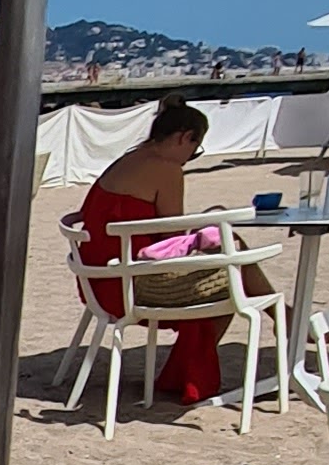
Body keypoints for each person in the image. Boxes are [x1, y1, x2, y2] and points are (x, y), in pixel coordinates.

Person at [78, 96, 225, 408]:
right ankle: (183, 379)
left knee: (230, 258)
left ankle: (286, 316)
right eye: (194, 150)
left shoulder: (128, 160)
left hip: (98, 281)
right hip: (132, 287)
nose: (189, 159)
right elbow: (173, 241)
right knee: (230, 278)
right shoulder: (166, 170)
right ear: (185, 137)